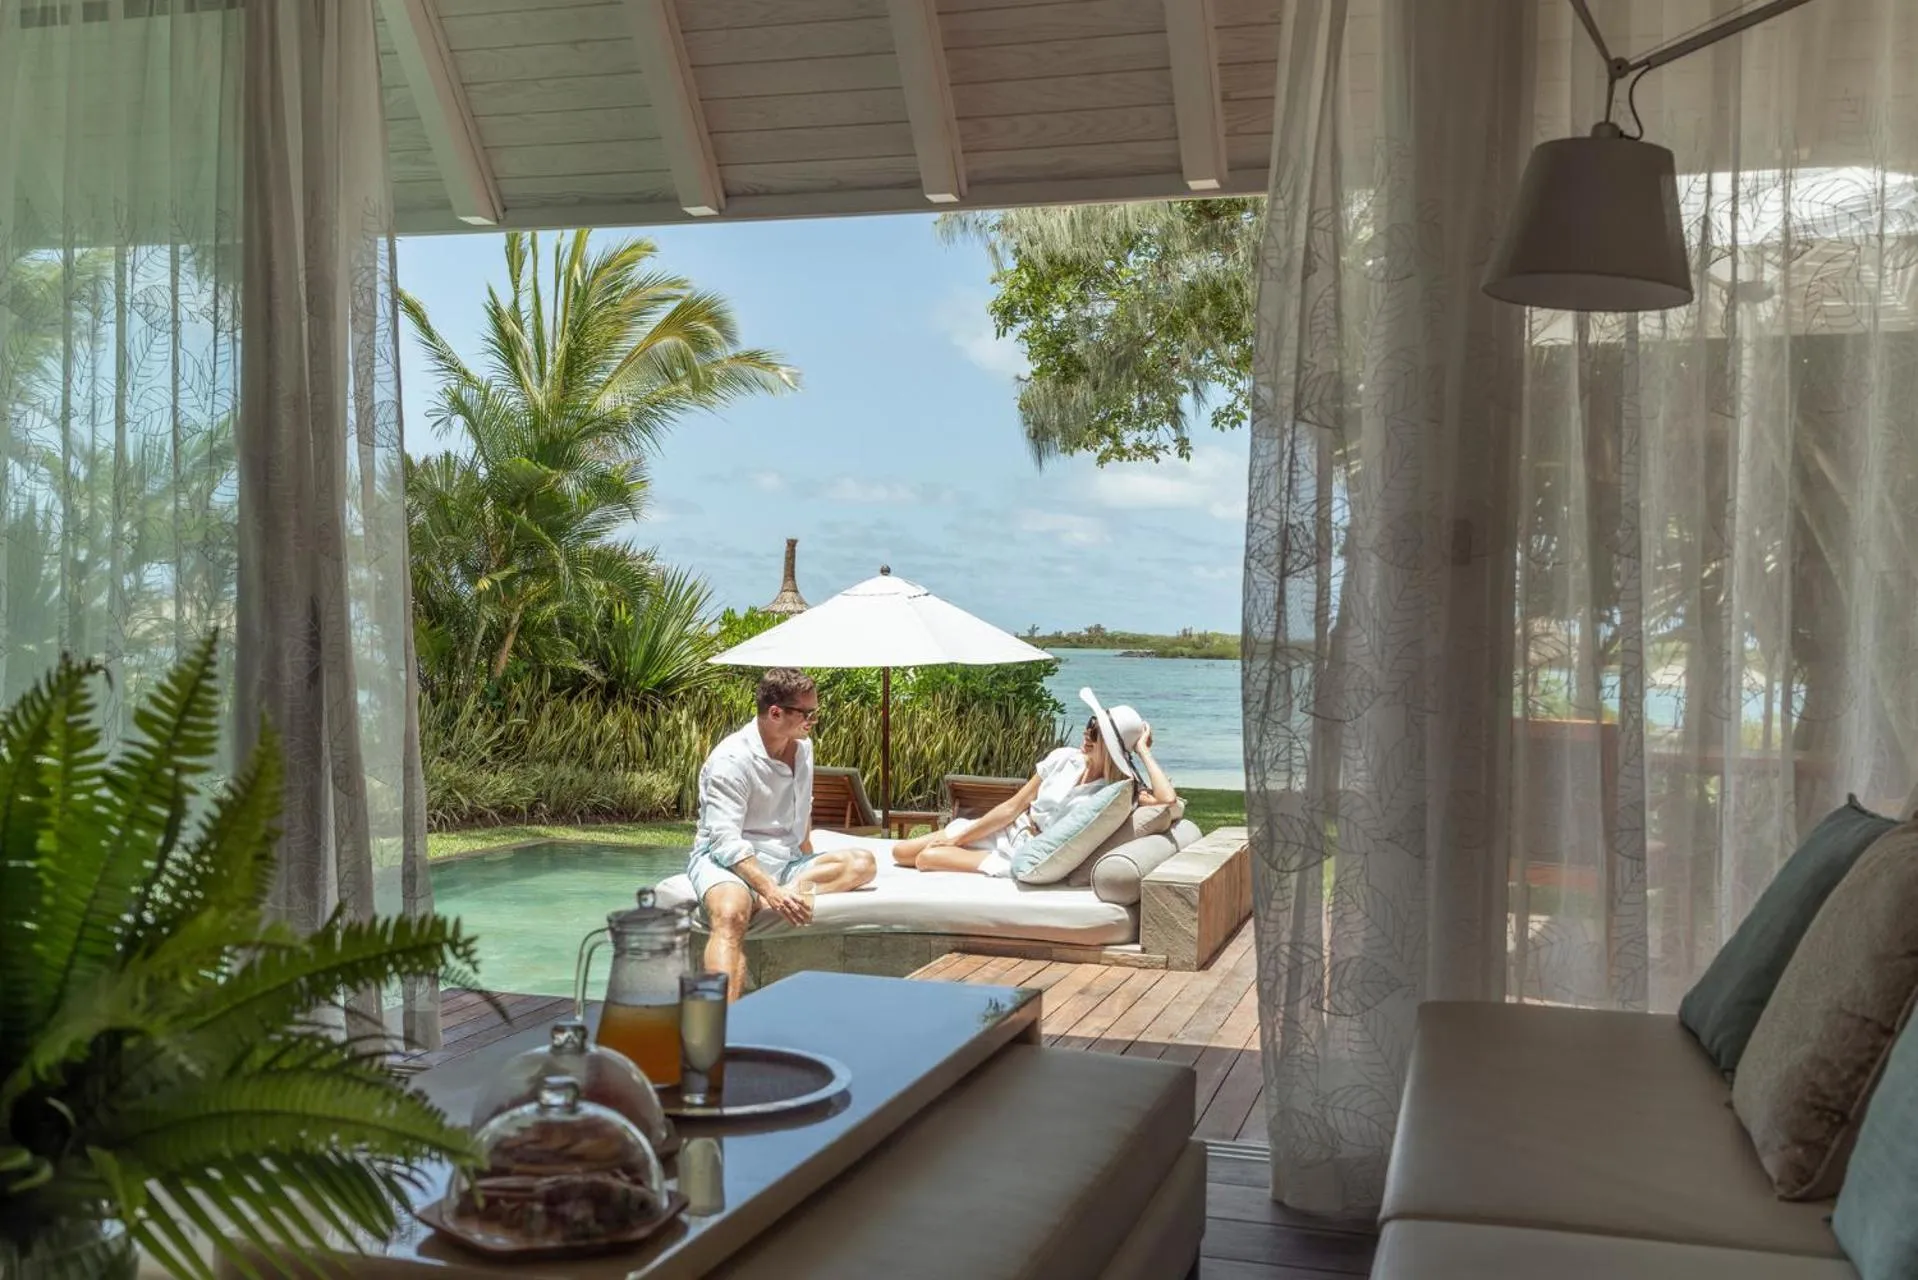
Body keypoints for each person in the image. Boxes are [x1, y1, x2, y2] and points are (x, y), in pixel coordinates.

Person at [687, 668, 877, 998]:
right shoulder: (731, 760)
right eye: (807, 713)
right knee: (731, 916)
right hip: (727, 863)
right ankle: (722, 1027)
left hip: (784, 862)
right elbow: (724, 842)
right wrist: (772, 891)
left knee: (861, 864)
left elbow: (801, 816)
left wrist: (806, 861)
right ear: (776, 713)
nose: (813, 720)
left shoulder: (803, 750)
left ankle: (758, 900)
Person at [891, 687, 1178, 875]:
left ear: (1110, 748)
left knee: (926, 858)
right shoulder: (1063, 759)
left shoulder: (1114, 793)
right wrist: (962, 837)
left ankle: (960, 853)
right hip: (1007, 829)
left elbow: (1167, 801)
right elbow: (1012, 807)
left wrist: (1142, 750)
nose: (1085, 734)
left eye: (1094, 732)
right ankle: (959, 843)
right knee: (901, 851)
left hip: (1021, 853)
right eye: (1089, 725)